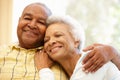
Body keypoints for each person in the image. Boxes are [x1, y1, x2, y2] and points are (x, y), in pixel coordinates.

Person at [37, 15, 120, 80]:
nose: (51, 42)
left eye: (58, 35)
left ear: (76, 41)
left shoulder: (90, 60)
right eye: (46, 40)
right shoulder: (75, 73)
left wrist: (44, 70)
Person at [0, 2, 68, 80]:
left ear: (48, 28)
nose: (32, 25)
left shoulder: (60, 55)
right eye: (27, 18)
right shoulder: (1, 52)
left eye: (41, 22)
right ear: (19, 21)